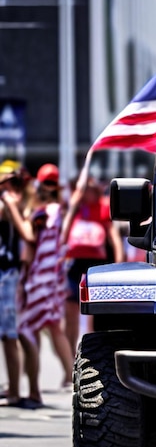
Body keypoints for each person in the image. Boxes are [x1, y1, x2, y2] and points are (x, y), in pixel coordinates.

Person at [2, 163, 75, 404]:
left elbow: (29, 237)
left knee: (26, 330)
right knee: (34, 331)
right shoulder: (54, 210)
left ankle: (32, 390)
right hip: (44, 280)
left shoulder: (46, 212)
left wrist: (13, 206)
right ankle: (29, 386)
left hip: (40, 281)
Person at [63, 175, 124, 349]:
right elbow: (63, 235)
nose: (85, 192)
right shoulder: (73, 208)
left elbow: (114, 237)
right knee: (70, 311)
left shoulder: (102, 207)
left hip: (95, 266)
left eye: (89, 188)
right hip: (74, 264)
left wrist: (119, 264)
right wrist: (74, 205)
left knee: (91, 313)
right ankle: (70, 356)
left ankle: (88, 350)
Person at [0, 161, 26, 406]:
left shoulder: (11, 202)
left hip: (6, 275)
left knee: (9, 335)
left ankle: (16, 391)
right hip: (5, 274)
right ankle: (11, 388)